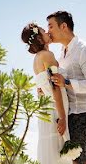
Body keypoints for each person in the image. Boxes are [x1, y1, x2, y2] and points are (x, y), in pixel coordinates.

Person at [46, 11, 86, 164]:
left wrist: (66, 82)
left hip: (83, 116)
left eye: (50, 26)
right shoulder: (61, 53)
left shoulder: (85, 50)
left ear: (63, 26)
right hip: (73, 117)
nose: (48, 31)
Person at [21, 22, 70, 164]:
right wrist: (62, 118)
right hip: (55, 110)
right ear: (40, 39)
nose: (48, 32)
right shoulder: (47, 55)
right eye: (44, 31)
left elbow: (43, 87)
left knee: (52, 151)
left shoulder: (37, 58)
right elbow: (55, 87)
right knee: (58, 152)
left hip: (46, 110)